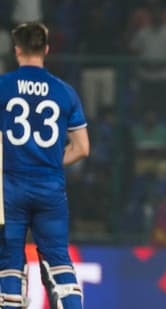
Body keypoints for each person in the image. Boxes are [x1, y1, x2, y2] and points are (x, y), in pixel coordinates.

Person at [0, 22, 89, 308]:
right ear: (46, 50)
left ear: (16, 51)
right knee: (59, 262)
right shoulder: (65, 92)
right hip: (50, 187)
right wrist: (50, 161)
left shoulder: (3, 87)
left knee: (10, 262)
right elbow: (82, 148)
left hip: (10, 187)